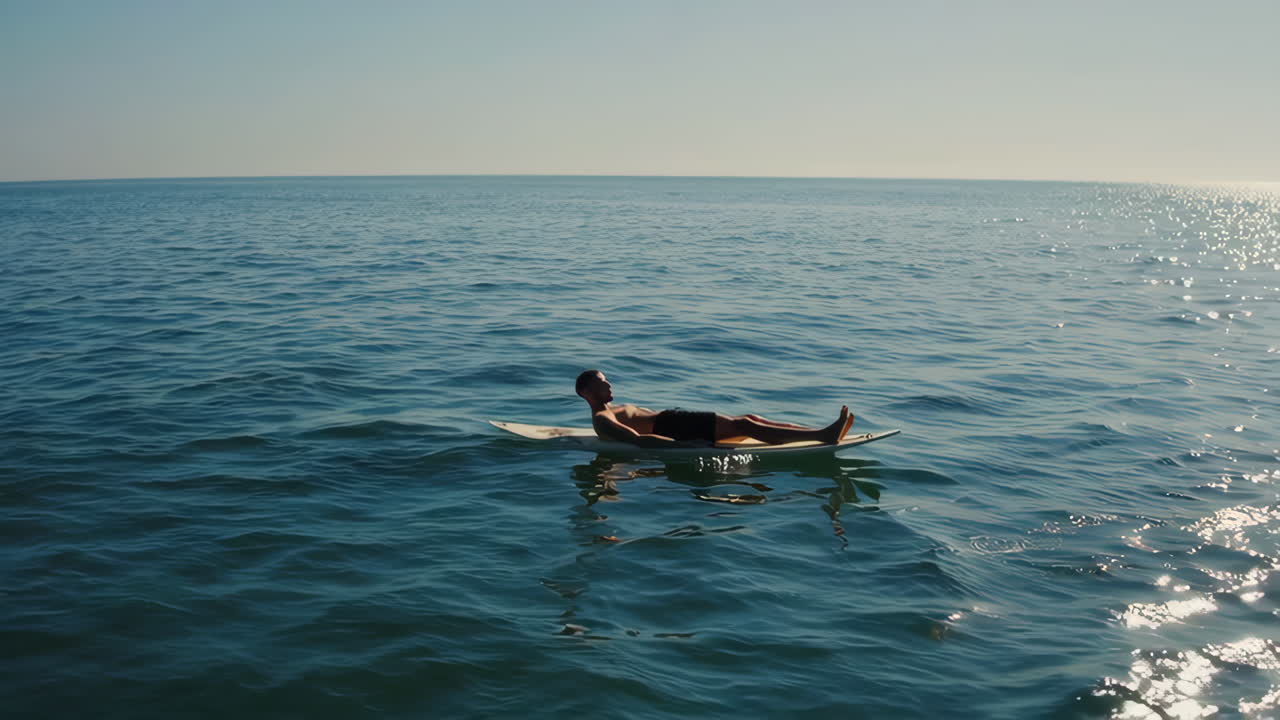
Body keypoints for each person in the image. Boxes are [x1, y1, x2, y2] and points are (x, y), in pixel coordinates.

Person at [575, 369, 852, 448]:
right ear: (586, 392)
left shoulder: (614, 408)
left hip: (674, 420)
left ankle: (819, 432)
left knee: (750, 419)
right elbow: (637, 440)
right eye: (601, 382)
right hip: (674, 428)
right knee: (744, 426)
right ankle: (823, 436)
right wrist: (682, 446)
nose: (609, 384)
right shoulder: (603, 418)